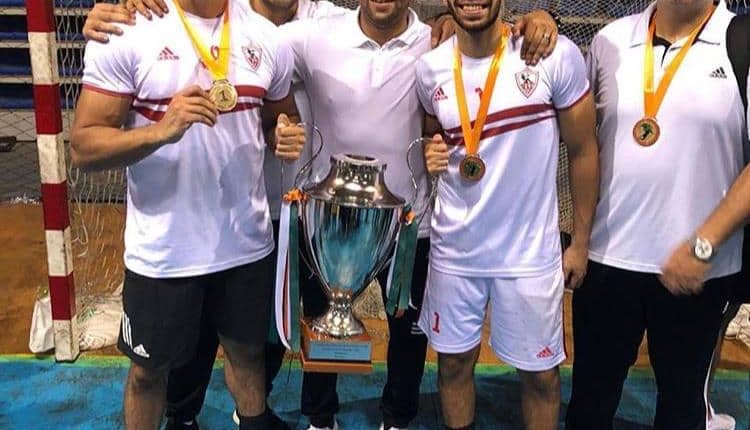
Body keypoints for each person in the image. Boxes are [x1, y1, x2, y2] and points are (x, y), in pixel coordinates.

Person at [80, 1, 558, 429]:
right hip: (325, 221)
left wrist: (530, 20)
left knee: (401, 334)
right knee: (315, 320)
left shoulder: (433, 44)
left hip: (406, 221)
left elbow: (483, 35)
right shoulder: (313, 34)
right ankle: (318, 418)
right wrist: (113, 13)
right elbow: (250, 46)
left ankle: (396, 417)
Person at [70, 0, 305, 428]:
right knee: (148, 372)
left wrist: (283, 134)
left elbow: (280, 117)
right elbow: (84, 147)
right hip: (164, 252)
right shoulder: (128, 30)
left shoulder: (267, 37)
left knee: (248, 355)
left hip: (246, 244)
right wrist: (161, 131)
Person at [416, 0, 599, 427]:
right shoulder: (429, 69)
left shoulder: (551, 55)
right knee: (452, 366)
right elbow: (431, 136)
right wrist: (431, 150)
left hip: (528, 255)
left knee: (541, 377)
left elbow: (584, 150)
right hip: (455, 251)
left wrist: (581, 242)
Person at [565, 1, 747, 429]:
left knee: (681, 407)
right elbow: (582, 143)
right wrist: (580, 240)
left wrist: (704, 245)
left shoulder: (741, 41)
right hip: (608, 261)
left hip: (697, 269)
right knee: (589, 404)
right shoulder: (610, 41)